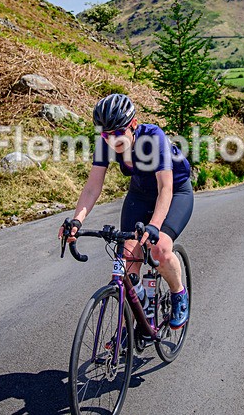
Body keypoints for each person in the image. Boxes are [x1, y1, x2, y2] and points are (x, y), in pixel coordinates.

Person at [58, 94, 193, 329]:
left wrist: (155, 226)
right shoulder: (106, 143)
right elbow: (92, 187)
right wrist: (77, 221)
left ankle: (178, 293)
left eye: (119, 132)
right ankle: (141, 315)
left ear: (133, 124)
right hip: (140, 194)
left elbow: (166, 188)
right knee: (127, 260)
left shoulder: (153, 138)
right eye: (106, 135)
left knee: (160, 249)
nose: (113, 140)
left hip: (175, 192)